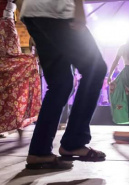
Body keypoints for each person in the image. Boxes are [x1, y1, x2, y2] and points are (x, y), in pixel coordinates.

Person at [20, 0, 107, 169]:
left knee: (61, 83)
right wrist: (79, 8)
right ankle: (74, 141)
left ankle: (39, 151)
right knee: (95, 69)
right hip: (57, 10)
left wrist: (32, 18)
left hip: (31, 11)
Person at [0, 0, 41, 140]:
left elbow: (24, 10)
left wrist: (33, 33)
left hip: (5, 30)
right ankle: (15, 124)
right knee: (11, 75)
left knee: (12, 74)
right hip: (5, 29)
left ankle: (15, 123)